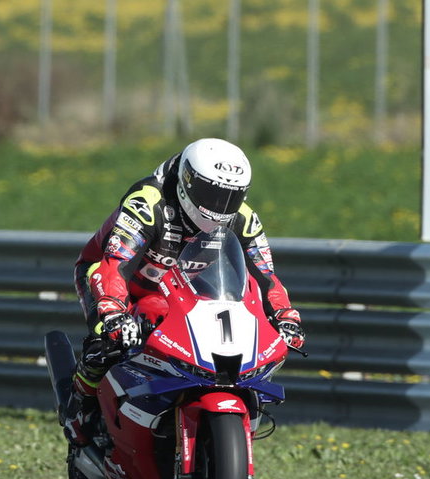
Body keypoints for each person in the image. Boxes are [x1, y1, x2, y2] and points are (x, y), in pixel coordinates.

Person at [61, 137, 305, 444]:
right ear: (187, 181)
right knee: (106, 341)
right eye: (212, 194)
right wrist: (113, 310)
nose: (220, 207)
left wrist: (286, 315)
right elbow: (115, 264)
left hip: (178, 289)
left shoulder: (242, 217)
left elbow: (266, 275)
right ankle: (79, 408)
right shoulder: (148, 202)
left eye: (230, 197)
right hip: (114, 279)